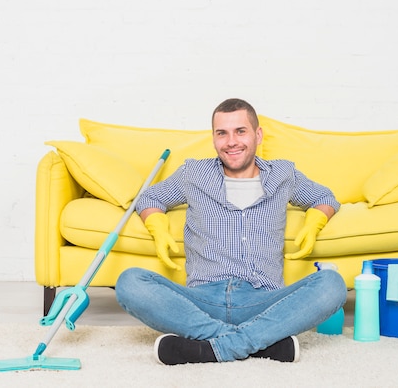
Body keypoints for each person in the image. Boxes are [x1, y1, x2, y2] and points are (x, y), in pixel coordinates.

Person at [115, 98, 346, 365]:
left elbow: (325, 197)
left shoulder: (284, 174)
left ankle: (212, 347)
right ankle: (256, 344)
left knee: (332, 285)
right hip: (201, 299)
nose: (231, 141)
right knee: (129, 282)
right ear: (213, 138)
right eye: (221, 133)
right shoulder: (193, 173)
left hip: (263, 300)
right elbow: (149, 198)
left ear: (257, 135)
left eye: (240, 131)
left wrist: (314, 221)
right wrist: (157, 226)